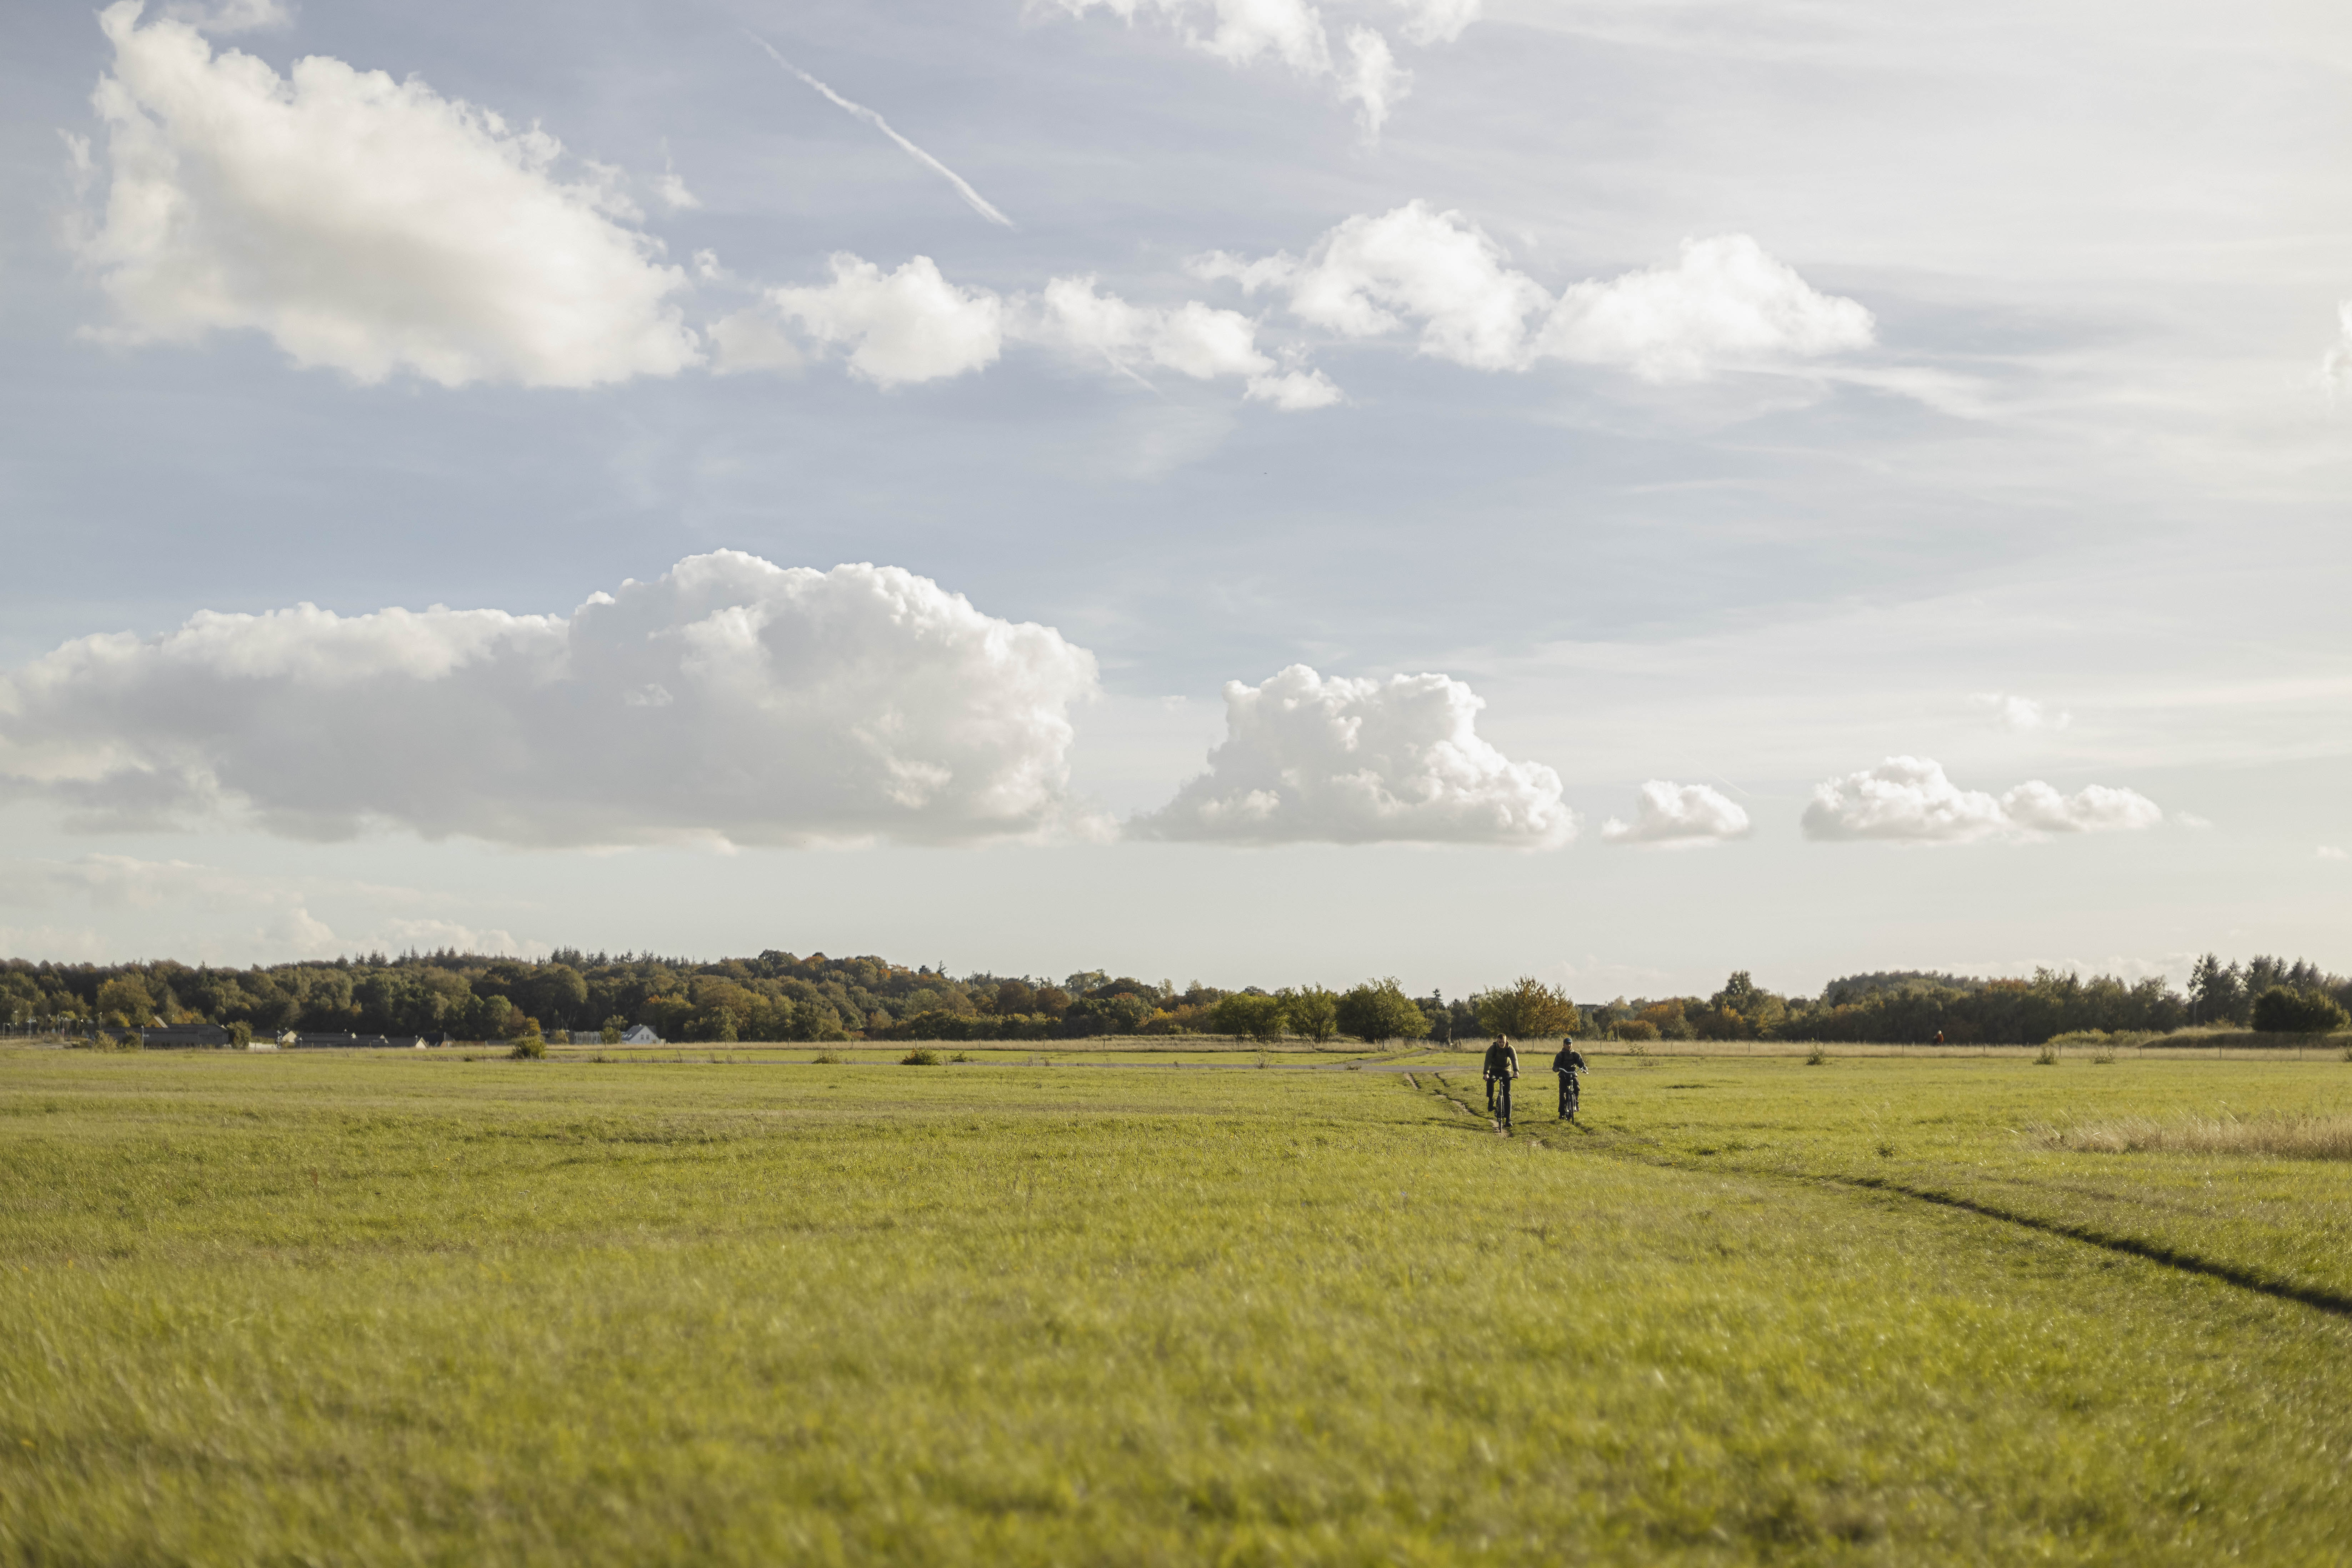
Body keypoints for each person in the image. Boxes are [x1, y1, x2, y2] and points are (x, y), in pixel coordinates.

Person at [1482, 1035, 1520, 1127]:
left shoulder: (1510, 1049)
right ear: (1497, 1042)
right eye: (1500, 1042)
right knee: (1490, 1081)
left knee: (1507, 1094)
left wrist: (1516, 1071)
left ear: (1506, 1041)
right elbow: (1487, 1061)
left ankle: (1508, 1120)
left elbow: (1514, 1059)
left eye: (1503, 1042)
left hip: (1506, 1070)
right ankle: (1491, 1101)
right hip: (1494, 1070)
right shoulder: (1492, 1049)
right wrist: (1486, 1073)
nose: (1502, 1044)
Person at [1552, 1036, 1588, 1119]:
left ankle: (1576, 1104)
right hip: (1564, 1074)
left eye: (1570, 1044)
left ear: (1572, 1045)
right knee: (1562, 1094)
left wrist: (1584, 1069)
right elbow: (1555, 1066)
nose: (1569, 1045)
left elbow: (1582, 1064)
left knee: (1577, 1087)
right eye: (1567, 1044)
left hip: (1573, 1073)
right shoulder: (1560, 1055)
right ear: (1564, 1045)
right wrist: (1556, 1069)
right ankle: (1562, 1113)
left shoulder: (1576, 1055)